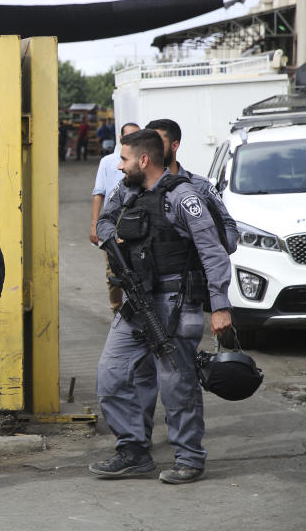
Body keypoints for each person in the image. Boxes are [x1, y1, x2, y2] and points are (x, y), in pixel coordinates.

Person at [91, 129, 232, 484]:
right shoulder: (126, 193)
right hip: (135, 303)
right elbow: (103, 223)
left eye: (123, 160)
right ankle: (134, 451)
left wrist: (220, 305)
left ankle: (189, 458)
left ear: (144, 160)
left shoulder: (184, 197)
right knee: (109, 376)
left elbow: (214, 250)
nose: (118, 167)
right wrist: (115, 239)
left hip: (174, 303)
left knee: (177, 385)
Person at [144, 118, 238, 253]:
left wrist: (215, 252)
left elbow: (228, 225)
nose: (150, 149)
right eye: (147, 144)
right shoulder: (132, 187)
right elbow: (105, 221)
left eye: (156, 143)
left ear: (174, 145)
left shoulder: (200, 186)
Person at [89, 122, 140, 312]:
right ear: (120, 138)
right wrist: (95, 225)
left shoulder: (143, 162)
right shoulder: (108, 162)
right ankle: (117, 309)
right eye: (129, 136)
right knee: (113, 271)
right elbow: (98, 194)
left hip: (136, 225)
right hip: (112, 226)